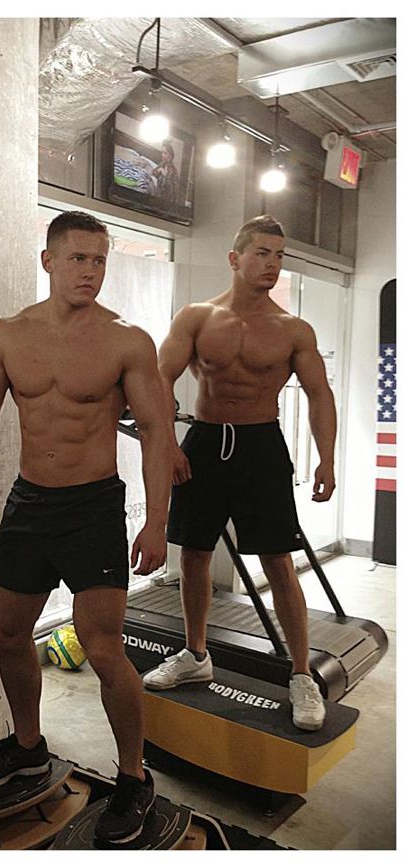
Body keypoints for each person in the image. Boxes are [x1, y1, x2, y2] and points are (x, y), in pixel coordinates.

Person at [0, 210, 172, 845]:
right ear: (48, 260)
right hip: (30, 504)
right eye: (78, 258)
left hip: (93, 507)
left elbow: (156, 431)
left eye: (100, 260)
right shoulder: (8, 335)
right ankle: (28, 746)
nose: (90, 271)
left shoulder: (127, 341)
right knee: (7, 632)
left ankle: (134, 776)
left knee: (101, 647)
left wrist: (156, 521)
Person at [142, 215, 336, 732]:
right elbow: (160, 377)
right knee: (194, 555)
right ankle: (195, 654)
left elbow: (319, 394)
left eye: (279, 255)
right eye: (262, 253)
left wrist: (327, 458)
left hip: (261, 447)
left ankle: (301, 675)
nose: (273, 264)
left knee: (279, 561)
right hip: (205, 442)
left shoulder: (292, 329)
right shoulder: (197, 317)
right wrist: (168, 445)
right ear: (235, 258)